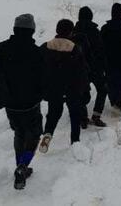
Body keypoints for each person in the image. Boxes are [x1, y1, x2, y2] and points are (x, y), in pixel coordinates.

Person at [0, 14, 45, 190]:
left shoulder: (1, 48)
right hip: (31, 104)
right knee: (34, 134)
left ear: (14, 29)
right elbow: (43, 79)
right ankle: (23, 165)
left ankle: (20, 165)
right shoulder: (36, 52)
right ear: (32, 30)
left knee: (19, 133)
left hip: (10, 103)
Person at [39, 19, 89, 153]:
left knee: (53, 114)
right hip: (71, 89)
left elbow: (39, 69)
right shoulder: (74, 49)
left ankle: (47, 135)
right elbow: (82, 72)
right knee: (74, 114)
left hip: (53, 89)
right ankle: (75, 142)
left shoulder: (45, 47)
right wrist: (83, 89)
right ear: (71, 32)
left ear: (57, 30)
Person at [73, 6, 108, 128]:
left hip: (80, 69)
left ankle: (83, 118)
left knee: (82, 93)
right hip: (95, 68)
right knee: (102, 90)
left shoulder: (74, 32)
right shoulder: (94, 31)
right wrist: (104, 67)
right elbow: (101, 51)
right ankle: (96, 116)